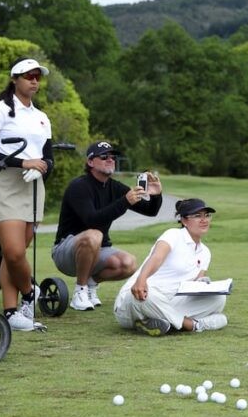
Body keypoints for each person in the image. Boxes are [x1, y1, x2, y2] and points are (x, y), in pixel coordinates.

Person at [0, 57, 55, 332]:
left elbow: (49, 157)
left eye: (37, 76)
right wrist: (23, 163)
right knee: (13, 251)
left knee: (13, 257)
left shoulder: (41, 117)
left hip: (33, 186)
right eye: (28, 76)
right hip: (5, 183)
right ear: (15, 79)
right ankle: (30, 292)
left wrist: (43, 168)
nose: (34, 81)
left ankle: (11, 312)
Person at [52, 141, 164, 311]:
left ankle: (90, 284)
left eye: (113, 157)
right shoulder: (79, 186)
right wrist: (124, 202)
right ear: (90, 162)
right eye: (104, 157)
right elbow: (92, 220)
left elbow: (150, 211)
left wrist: (156, 195)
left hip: (96, 250)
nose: (110, 160)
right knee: (94, 234)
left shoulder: (114, 187)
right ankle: (80, 291)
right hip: (66, 251)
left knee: (129, 263)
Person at [113, 198, 228, 336]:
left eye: (207, 215)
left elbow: (195, 285)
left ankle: (157, 322)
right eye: (197, 216)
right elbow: (157, 257)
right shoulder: (173, 235)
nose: (204, 220)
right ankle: (192, 325)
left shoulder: (205, 252)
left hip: (168, 302)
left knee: (218, 298)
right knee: (144, 296)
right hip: (138, 299)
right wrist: (141, 280)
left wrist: (204, 284)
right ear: (184, 220)